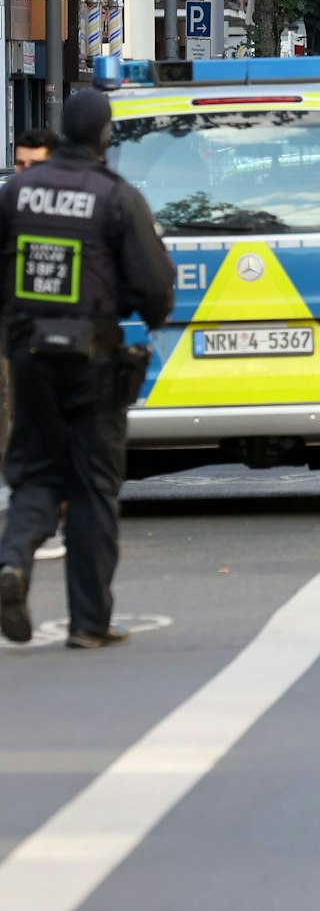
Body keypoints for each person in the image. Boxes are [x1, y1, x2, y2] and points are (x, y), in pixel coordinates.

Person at [0, 89, 174, 649]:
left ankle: (12, 563)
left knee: (35, 470)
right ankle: (90, 623)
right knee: (94, 484)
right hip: (92, 359)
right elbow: (153, 291)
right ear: (104, 135)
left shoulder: (17, 192)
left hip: (28, 355)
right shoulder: (115, 198)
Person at [10, 130, 66, 562]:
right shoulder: (7, 206)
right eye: (19, 165)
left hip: (68, 345)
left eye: (35, 165)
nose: (25, 174)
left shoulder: (76, 209)